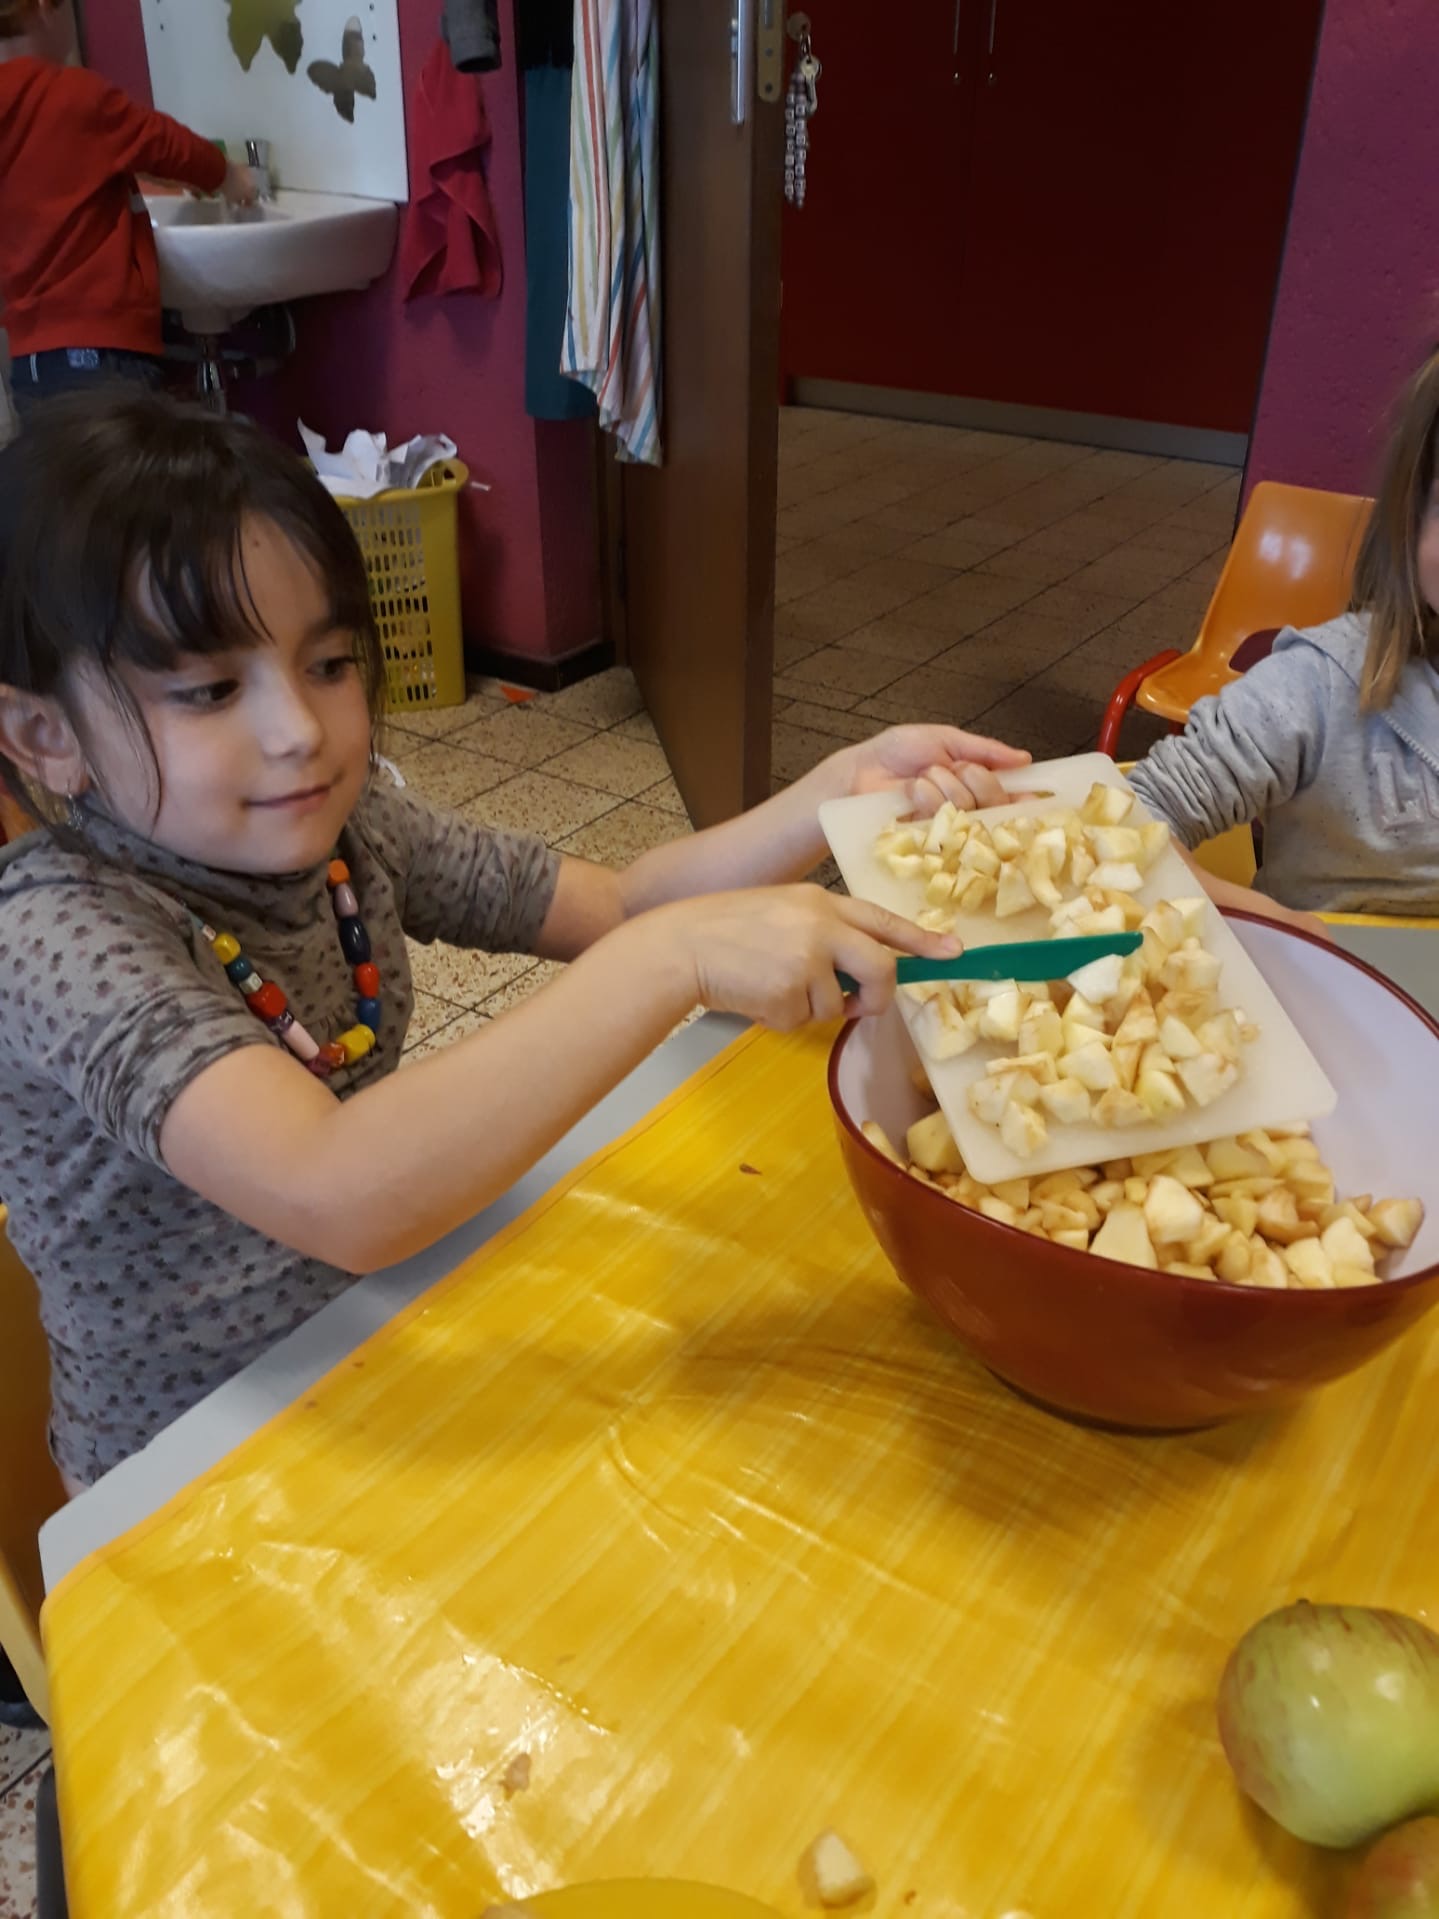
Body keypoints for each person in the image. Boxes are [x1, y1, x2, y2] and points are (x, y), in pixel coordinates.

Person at [0, 394, 1030, 1490]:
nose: (297, 729)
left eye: (330, 664)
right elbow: (334, 1187)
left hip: (378, 1351)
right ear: (45, 735)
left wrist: (834, 797)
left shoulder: (351, 833)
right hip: (190, 1474)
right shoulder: (56, 935)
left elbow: (616, 904)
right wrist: (671, 958)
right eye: (210, 689)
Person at [1130, 350, 1439, 921]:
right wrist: (1255, 917)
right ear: (1410, 519)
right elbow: (1132, 817)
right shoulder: (1316, 686)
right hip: (1309, 966)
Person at [0, 0, 258, 421]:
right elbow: (162, 142)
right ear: (47, 8)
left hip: (31, 362)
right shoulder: (75, 95)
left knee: (62, 466)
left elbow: (51, 182)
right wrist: (226, 175)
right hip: (102, 350)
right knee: (127, 463)